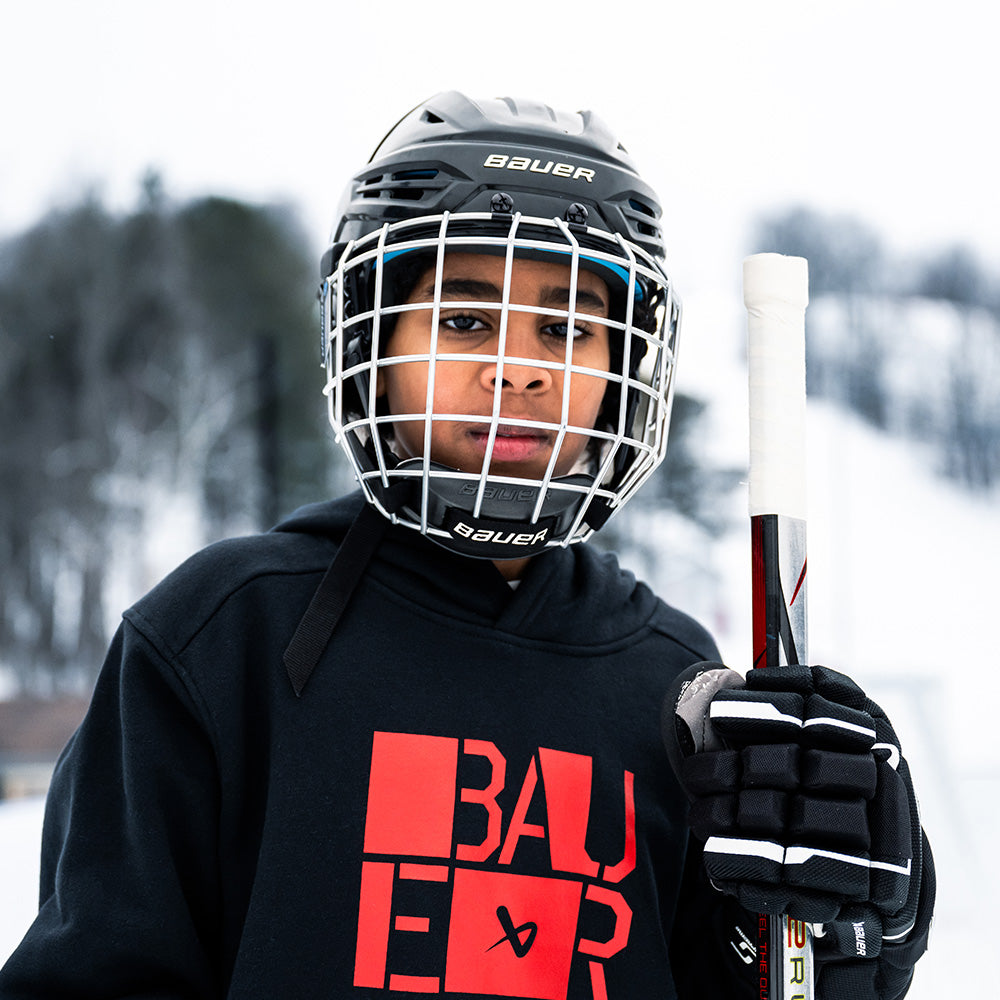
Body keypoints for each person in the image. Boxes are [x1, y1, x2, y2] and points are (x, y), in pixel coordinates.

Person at [0, 91, 933, 999]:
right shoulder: (221, 637)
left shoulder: (680, 685)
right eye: (463, 318)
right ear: (373, 335)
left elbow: (750, 978)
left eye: (569, 328)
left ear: (626, 364)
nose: (520, 368)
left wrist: (852, 931)